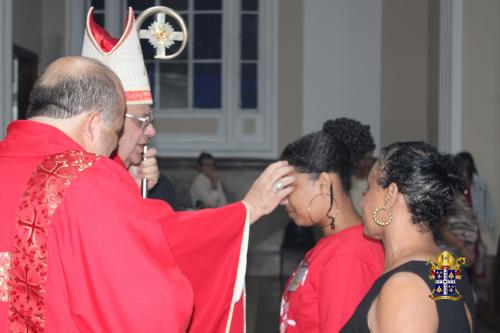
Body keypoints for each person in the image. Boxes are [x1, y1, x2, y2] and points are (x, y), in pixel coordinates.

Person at [0, 55, 293, 331]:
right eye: (115, 132)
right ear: (91, 124)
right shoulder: (88, 176)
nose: (112, 148)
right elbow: (149, 311)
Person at [79, 7, 294, 332]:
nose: (151, 132)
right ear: (106, 122)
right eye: (142, 120)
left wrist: (134, 183)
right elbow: (164, 234)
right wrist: (246, 211)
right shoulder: (86, 179)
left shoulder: (117, 174)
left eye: (151, 121)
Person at [341, 142, 475, 333]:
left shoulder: (404, 287)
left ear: (390, 195)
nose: (362, 202)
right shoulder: (448, 270)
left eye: (369, 188)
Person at [278, 118, 384, 333]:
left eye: (290, 187)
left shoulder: (348, 256)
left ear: (324, 184)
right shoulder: (333, 245)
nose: (282, 199)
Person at [348, 123, 376, 214]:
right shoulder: (347, 181)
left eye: (369, 159)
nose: (367, 163)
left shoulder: (375, 182)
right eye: (364, 159)